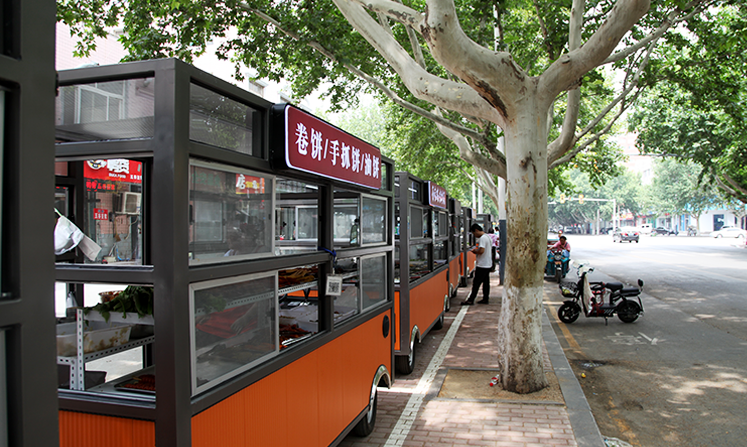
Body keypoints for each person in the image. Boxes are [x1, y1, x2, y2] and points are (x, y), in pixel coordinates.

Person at [462, 223, 493, 305]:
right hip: (488, 263)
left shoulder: (482, 238)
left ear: (476, 230)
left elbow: (481, 250)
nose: (474, 235)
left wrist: (475, 251)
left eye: (474, 233)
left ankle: (471, 299)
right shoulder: (487, 237)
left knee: (476, 283)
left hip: (482, 264)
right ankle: (485, 298)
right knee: (486, 282)